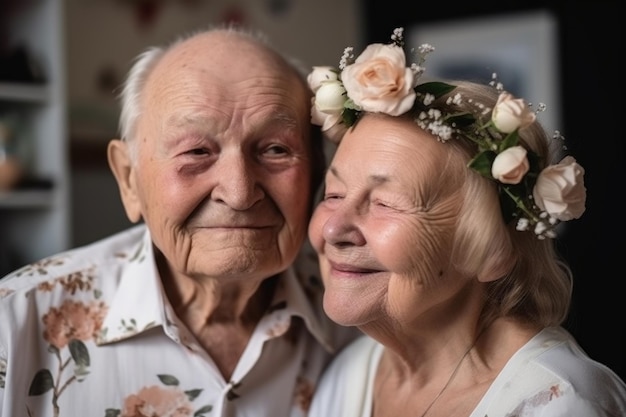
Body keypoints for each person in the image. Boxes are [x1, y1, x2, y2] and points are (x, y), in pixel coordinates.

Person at [0, 25, 358, 416]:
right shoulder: (14, 327)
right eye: (197, 151)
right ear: (128, 180)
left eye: (275, 149)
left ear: (317, 174)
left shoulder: (358, 321)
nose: (238, 193)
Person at [305, 27, 626, 417]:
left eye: (385, 204)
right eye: (333, 195)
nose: (332, 229)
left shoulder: (560, 404)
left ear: (491, 251)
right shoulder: (350, 373)